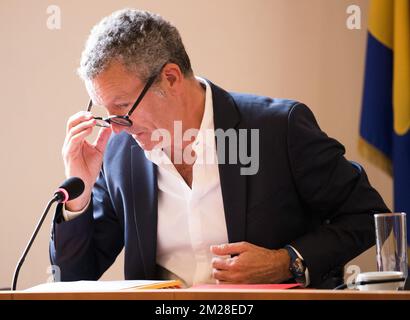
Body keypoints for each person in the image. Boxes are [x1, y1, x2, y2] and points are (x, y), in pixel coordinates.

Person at [50, 9, 389, 289]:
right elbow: (76, 276)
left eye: (123, 108)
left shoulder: (277, 128)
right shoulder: (118, 152)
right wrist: (78, 193)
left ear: (170, 78)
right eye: (106, 114)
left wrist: (286, 261)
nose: (116, 127)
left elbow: (365, 215)